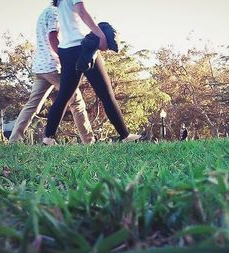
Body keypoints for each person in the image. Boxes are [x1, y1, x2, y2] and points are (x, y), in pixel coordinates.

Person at [43, 0, 140, 145]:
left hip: (66, 50)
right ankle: (125, 136)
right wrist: (100, 35)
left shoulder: (59, 2)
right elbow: (81, 11)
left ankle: (48, 138)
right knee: (106, 94)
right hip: (83, 47)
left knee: (64, 96)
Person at [9, 2, 94, 144]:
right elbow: (52, 37)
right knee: (76, 100)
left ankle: (14, 140)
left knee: (33, 105)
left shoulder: (44, 13)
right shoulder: (55, 13)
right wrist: (64, 58)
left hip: (40, 67)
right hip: (52, 65)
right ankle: (89, 141)